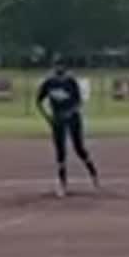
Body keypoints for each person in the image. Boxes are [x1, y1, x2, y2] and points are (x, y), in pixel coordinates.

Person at [35, 62, 100, 197]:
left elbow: (79, 102)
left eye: (61, 67)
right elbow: (38, 101)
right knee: (60, 152)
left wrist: (69, 113)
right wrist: (48, 117)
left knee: (79, 148)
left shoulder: (71, 82)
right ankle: (62, 183)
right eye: (56, 67)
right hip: (57, 120)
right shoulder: (49, 83)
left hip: (73, 119)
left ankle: (93, 174)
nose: (58, 69)